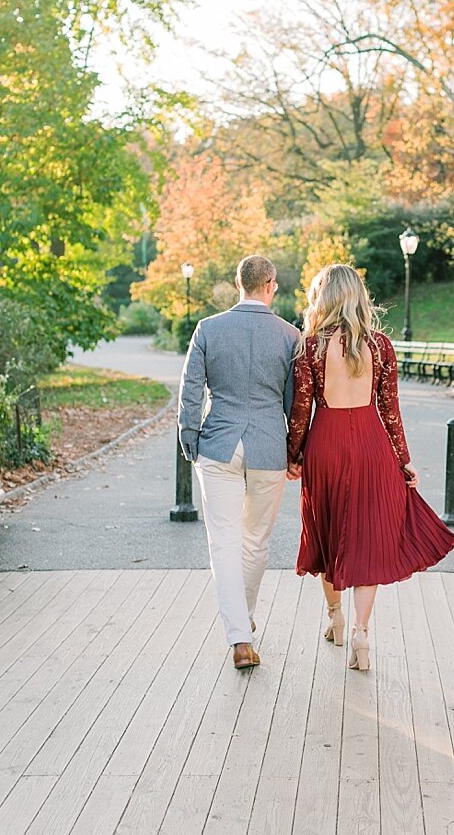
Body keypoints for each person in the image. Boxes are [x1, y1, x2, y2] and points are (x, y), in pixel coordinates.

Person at [286, 263, 454, 670]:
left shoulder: (310, 347)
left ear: (322, 298)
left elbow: (301, 411)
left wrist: (294, 455)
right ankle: (362, 635)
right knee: (365, 538)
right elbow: (391, 411)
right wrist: (403, 461)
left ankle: (336, 618)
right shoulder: (380, 346)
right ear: (359, 296)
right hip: (371, 444)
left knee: (327, 531)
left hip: (325, 445)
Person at [178, 254, 300, 669]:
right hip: (269, 446)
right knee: (256, 543)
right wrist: (295, 451)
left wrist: (189, 439)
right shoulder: (289, 335)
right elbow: (294, 403)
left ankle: (239, 635)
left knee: (224, 541)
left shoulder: (208, 329)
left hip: (219, 445)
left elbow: (190, 390)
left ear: (238, 284)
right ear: (270, 284)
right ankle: (242, 626)